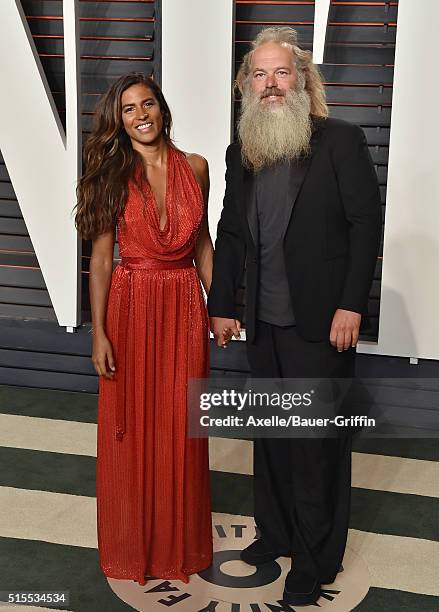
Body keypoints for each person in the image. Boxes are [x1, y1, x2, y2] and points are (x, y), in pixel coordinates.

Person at [208, 27, 382, 606]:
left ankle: (314, 558)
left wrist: (351, 303)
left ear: (301, 79)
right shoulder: (243, 150)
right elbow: (231, 233)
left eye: (281, 71)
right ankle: (276, 534)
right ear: (246, 85)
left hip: (322, 321)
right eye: (259, 74)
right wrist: (222, 305)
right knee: (273, 438)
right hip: (264, 322)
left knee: (315, 445)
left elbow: (364, 227)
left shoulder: (340, 140)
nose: (270, 84)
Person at [75, 73, 213, 584]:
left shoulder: (195, 167)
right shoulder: (111, 171)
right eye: (129, 109)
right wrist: (98, 333)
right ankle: (133, 546)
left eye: (147, 104)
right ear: (119, 120)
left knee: (181, 424)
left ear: (162, 108)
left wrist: (218, 306)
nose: (141, 115)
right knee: (130, 427)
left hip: (183, 307)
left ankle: (179, 544)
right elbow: (103, 258)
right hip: (130, 308)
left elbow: (202, 245)